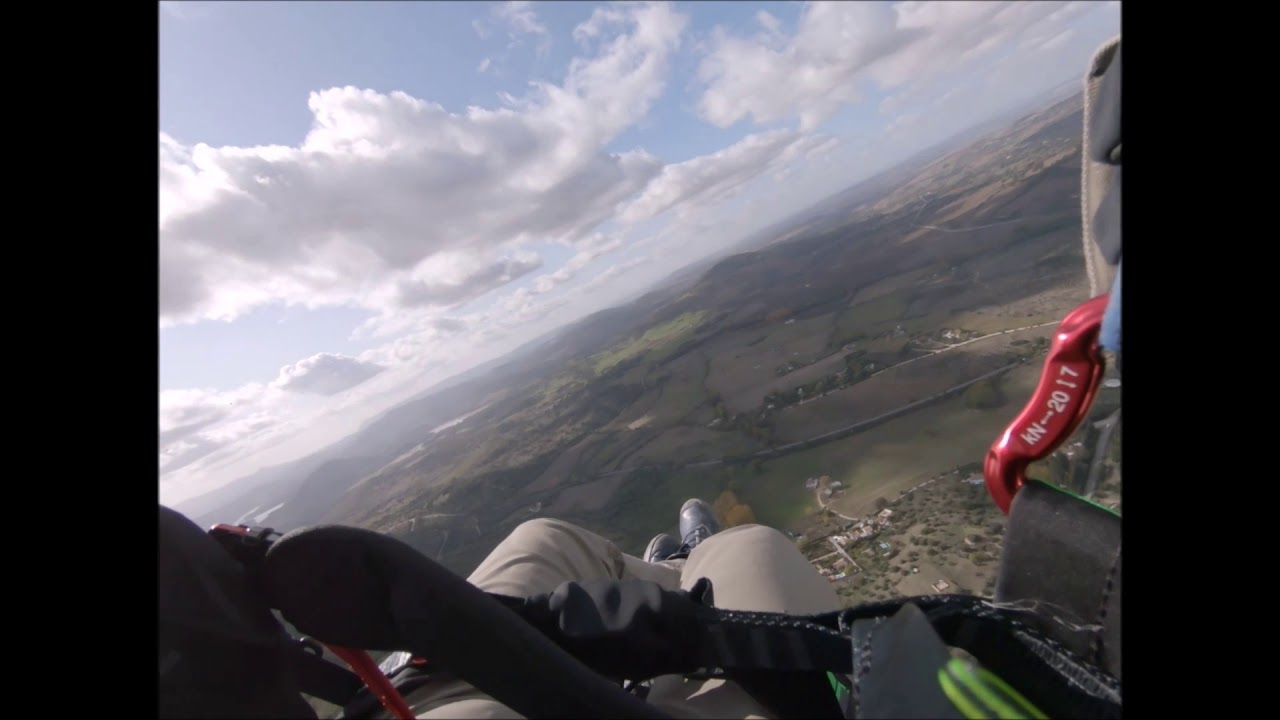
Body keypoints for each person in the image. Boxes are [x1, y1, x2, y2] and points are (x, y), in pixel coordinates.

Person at [399, 499, 841, 718]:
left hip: (429, 702)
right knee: (752, 544)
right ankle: (700, 563)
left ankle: (678, 571)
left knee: (543, 536)